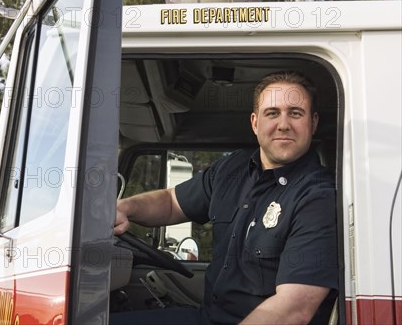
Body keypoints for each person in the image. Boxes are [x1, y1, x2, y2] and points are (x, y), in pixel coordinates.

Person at [113, 71, 338, 325]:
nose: (283, 124)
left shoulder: (318, 197)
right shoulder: (232, 168)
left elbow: (294, 309)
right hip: (208, 318)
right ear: (255, 123)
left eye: (295, 113)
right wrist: (125, 208)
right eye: (272, 113)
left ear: (313, 122)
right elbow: (171, 202)